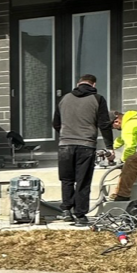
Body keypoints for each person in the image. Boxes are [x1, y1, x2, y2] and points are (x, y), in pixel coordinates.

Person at [52, 74, 114, 227]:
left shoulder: (64, 99)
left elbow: (56, 124)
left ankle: (66, 211)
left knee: (66, 179)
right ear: (93, 84)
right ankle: (80, 215)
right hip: (86, 145)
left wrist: (67, 135)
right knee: (83, 181)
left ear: (78, 83)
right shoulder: (98, 99)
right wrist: (109, 147)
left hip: (65, 145)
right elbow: (104, 124)